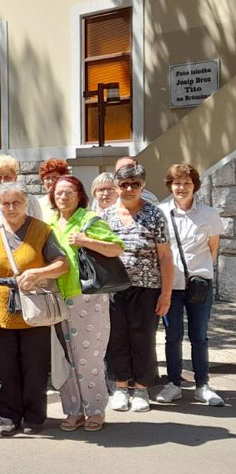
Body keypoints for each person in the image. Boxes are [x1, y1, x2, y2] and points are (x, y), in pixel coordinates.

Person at [0, 182, 68, 435]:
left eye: (16, 202)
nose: (11, 208)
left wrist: (38, 272)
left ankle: (34, 417)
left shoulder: (41, 230)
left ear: (26, 204)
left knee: (34, 366)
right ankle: (6, 416)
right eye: (6, 203)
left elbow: (62, 264)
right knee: (3, 367)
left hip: (33, 309)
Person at [47, 176, 124, 432]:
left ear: (79, 194)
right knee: (65, 359)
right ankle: (72, 411)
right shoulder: (49, 224)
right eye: (59, 193)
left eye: (69, 192)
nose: (63, 197)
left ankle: (95, 410)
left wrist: (86, 241)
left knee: (88, 358)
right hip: (57, 299)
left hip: (87, 299)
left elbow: (116, 249)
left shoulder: (90, 220)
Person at [102, 164, 173, 413]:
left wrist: (166, 293)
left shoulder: (154, 215)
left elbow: (165, 256)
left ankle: (141, 389)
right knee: (116, 338)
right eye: (124, 184)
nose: (130, 189)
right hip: (114, 288)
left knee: (143, 339)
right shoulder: (106, 215)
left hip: (147, 288)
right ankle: (121, 387)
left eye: (135, 184)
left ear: (142, 186)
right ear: (116, 186)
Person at [157, 164, 225, 406]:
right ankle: (173, 383)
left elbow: (213, 248)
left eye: (187, 183)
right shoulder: (161, 212)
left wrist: (200, 272)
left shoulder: (209, 214)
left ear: (195, 185)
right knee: (172, 336)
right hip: (170, 286)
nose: (182, 187)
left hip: (199, 285)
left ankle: (202, 385)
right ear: (170, 186)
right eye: (177, 183)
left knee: (200, 336)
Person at [0, 154, 42, 221]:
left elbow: (40, 228)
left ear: (15, 178)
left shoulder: (30, 201)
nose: (3, 181)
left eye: (7, 177)